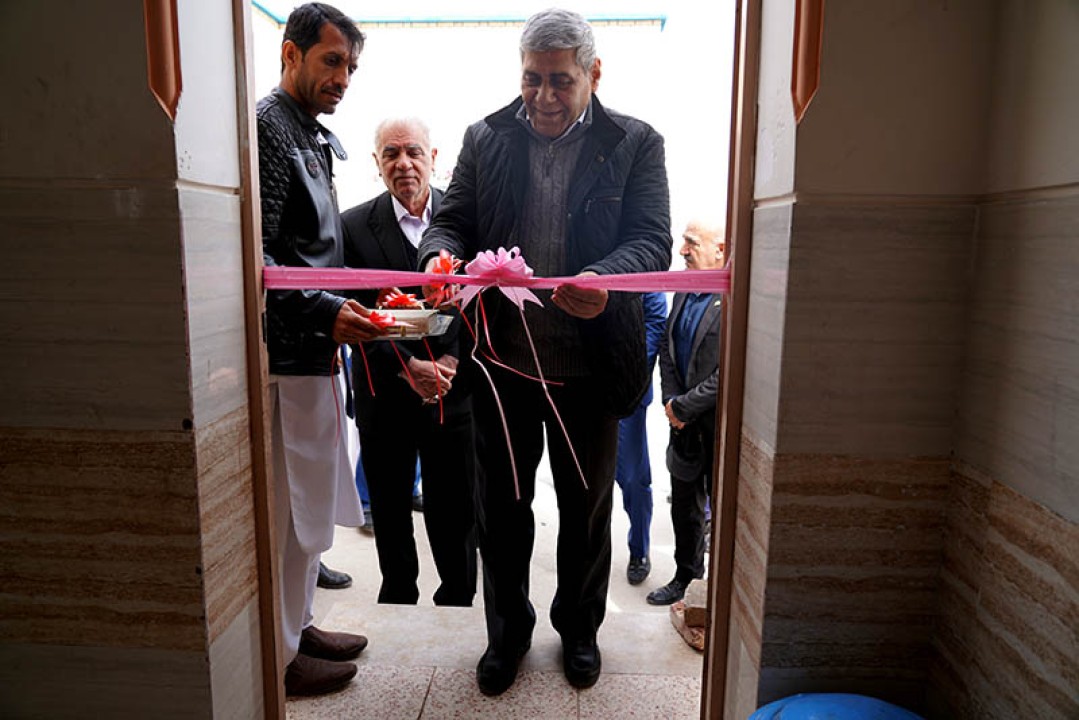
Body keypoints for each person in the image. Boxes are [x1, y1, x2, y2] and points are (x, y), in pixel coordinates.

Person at [418, 8, 672, 695]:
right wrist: (439, 257)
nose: (544, 96)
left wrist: (606, 279)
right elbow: (451, 221)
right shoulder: (486, 136)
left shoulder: (634, 142)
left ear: (594, 74)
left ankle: (579, 629)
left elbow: (652, 239)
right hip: (502, 365)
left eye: (561, 80)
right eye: (532, 79)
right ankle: (507, 634)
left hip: (590, 368)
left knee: (586, 510)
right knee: (500, 510)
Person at [257, 2, 387, 697]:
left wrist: (342, 309)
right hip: (287, 355)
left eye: (351, 67)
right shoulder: (267, 128)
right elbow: (259, 254)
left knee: (310, 506)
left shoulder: (305, 131)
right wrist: (324, 310)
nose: (343, 78)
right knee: (289, 510)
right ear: (291, 53)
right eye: (332, 61)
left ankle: (299, 623)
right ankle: (279, 655)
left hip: (316, 350)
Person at [342, 117, 478, 607]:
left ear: (433, 157)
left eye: (414, 152)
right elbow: (353, 311)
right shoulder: (352, 226)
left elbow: (481, 306)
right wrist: (406, 366)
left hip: (453, 391)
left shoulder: (465, 222)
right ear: (376, 163)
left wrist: (451, 360)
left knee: (456, 509)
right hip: (385, 393)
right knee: (390, 507)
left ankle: (458, 599)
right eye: (391, 153)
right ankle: (398, 601)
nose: (404, 164)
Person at [646, 220, 725, 606]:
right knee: (684, 505)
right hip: (682, 422)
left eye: (691, 243)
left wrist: (685, 405)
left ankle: (721, 590)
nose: (682, 251)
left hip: (716, 424)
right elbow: (667, 348)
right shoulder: (683, 290)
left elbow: (728, 370)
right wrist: (671, 402)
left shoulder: (735, 297)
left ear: (721, 250)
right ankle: (686, 578)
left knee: (721, 509)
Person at [615, 292, 667, 585]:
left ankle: (639, 550)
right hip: (583, 387)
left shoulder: (642, 271)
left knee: (634, 479)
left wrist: (625, 369)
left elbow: (655, 324)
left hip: (629, 392)